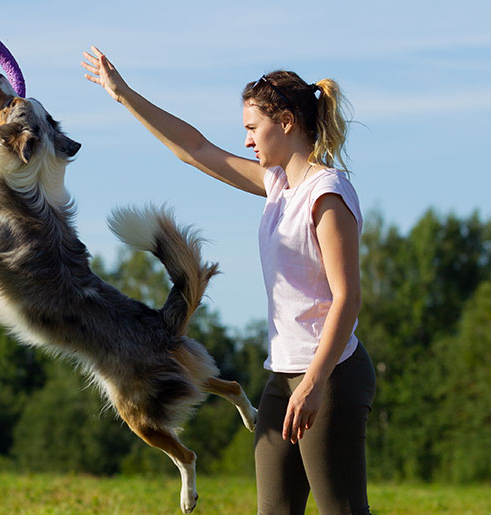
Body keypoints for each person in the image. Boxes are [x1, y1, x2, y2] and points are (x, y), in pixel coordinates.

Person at [83, 47, 377, 515]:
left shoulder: (326, 194)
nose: (246, 142)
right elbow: (195, 149)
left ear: (285, 121)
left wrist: (316, 383)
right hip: (283, 376)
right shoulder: (278, 185)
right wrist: (123, 95)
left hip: (331, 375)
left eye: (251, 128)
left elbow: (347, 297)